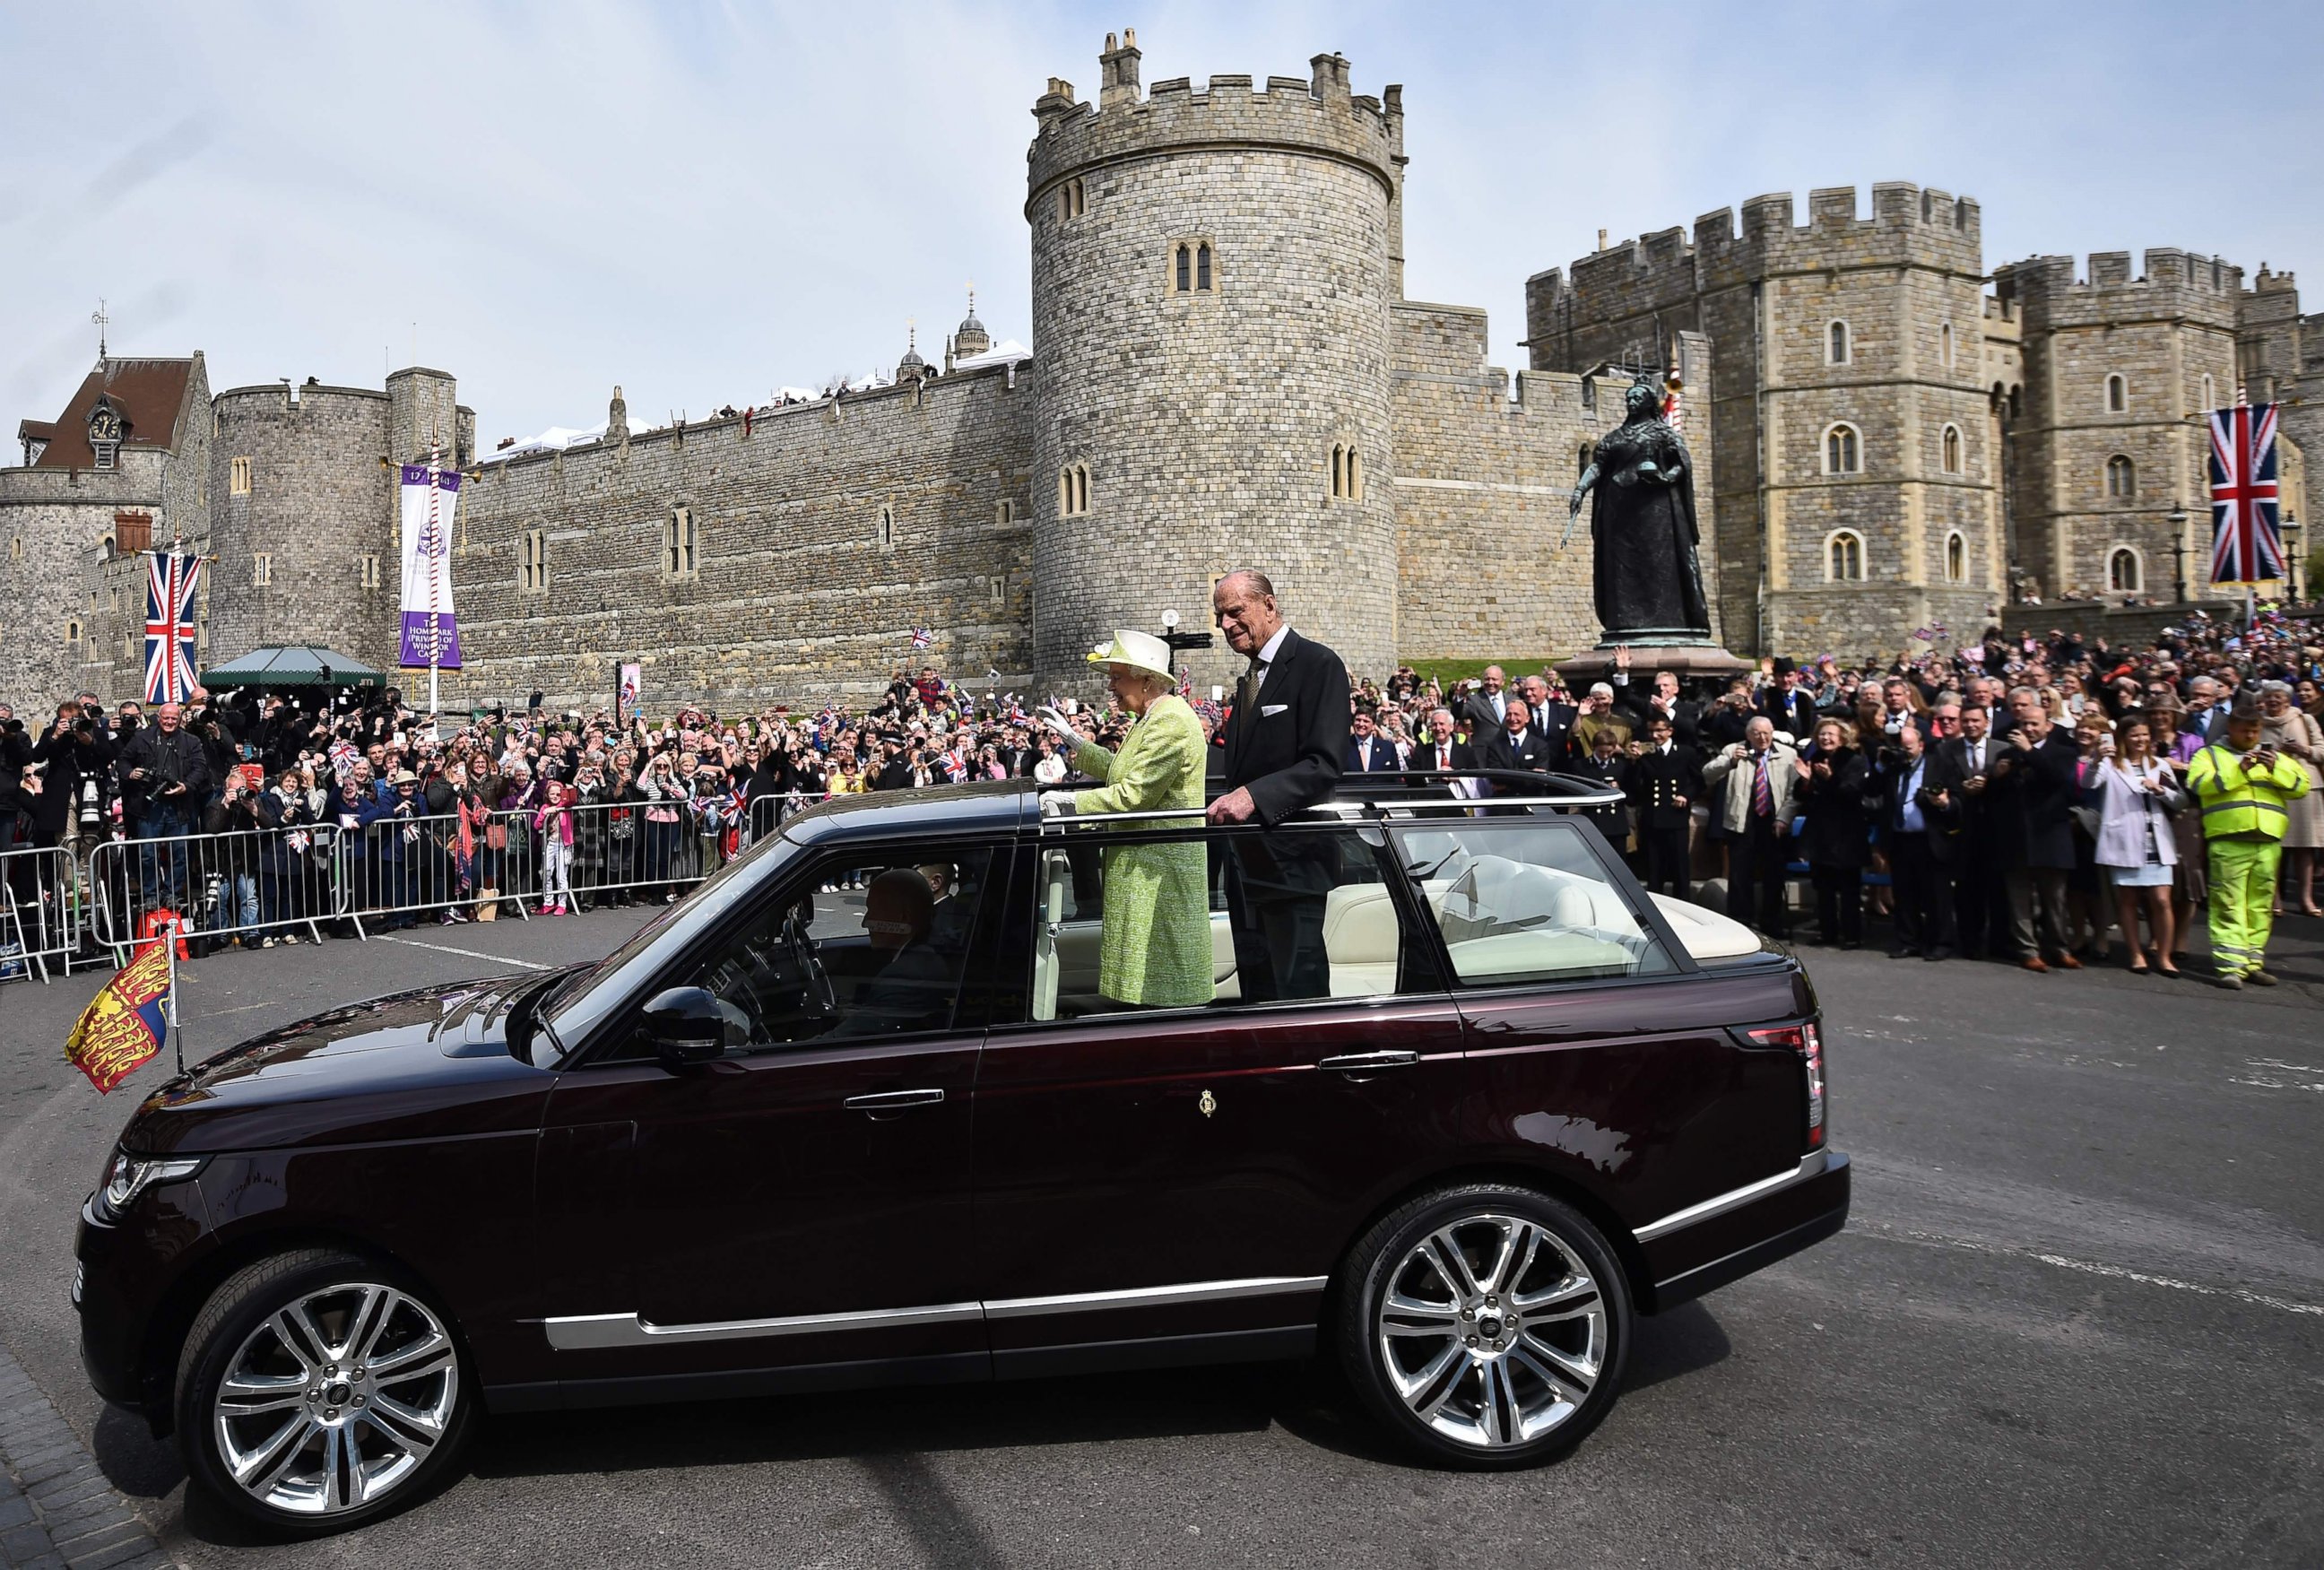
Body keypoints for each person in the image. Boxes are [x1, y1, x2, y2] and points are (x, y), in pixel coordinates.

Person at [1037, 629, 1210, 1010]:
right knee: (1141, 984)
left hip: (1159, 875)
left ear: (1147, 680)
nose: (1111, 687)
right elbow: (1122, 771)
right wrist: (1075, 742)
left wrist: (1070, 804)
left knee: (1158, 989)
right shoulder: (1152, 716)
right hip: (1142, 868)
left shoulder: (1170, 722)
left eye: (1117, 677)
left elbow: (1133, 795)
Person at [1208, 569, 1351, 1001]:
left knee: (1298, 993)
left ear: (1268, 605)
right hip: (1246, 867)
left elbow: (1324, 763)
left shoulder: (1317, 665)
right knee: (1257, 993)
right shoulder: (1249, 679)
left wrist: (1253, 796)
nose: (1226, 626)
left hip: (1293, 864)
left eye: (1235, 612)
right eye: (1220, 618)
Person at [2185, 699, 2312, 989]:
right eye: (2245, 732)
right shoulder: (2210, 755)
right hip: (2229, 840)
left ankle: (2253, 963)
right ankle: (2231, 966)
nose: (2252, 737)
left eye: (2256, 732)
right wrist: (2239, 771)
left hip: (2268, 842)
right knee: (2229, 904)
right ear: (2231, 728)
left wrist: (2275, 771)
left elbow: (2301, 786)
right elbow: (2197, 785)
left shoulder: (2273, 757)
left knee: (2260, 907)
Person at [1989, 689, 2082, 972]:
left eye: (2034, 724)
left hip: (2050, 836)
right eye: (2024, 724)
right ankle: (2027, 949)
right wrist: (1997, 777)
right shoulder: (2006, 753)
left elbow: (2057, 780)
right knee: (2020, 900)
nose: (2028, 729)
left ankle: (2058, 947)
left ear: (2048, 726)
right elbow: (1995, 797)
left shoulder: (2063, 752)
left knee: (2054, 899)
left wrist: (2029, 753)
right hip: (2016, 837)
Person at [2089, 710, 2183, 976]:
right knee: (2128, 900)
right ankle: (2136, 954)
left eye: (2144, 734)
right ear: (2124, 737)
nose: (2140, 739)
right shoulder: (2111, 764)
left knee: (2162, 900)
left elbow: (2180, 800)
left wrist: (2160, 790)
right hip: (2125, 841)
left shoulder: (2160, 765)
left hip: (2157, 840)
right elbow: (2089, 782)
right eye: (2134, 735)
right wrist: (2097, 758)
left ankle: (2164, 956)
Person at [1870, 723, 1959, 959]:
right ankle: (1909, 941)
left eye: (1909, 747)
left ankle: (1941, 942)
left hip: (1929, 840)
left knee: (1936, 895)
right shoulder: (1892, 766)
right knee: (1904, 894)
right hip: (1900, 839)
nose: (1904, 752)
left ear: (1920, 745)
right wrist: (1880, 763)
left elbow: (1957, 802)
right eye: (1901, 747)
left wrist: (1944, 804)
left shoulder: (1938, 765)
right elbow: (1869, 790)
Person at [1704, 716, 1799, 937]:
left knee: (1773, 876)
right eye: (1757, 733)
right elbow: (1708, 774)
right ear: (1748, 735)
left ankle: (1772, 923)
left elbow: (1794, 793)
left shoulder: (1788, 754)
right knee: (1739, 876)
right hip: (1741, 821)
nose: (1762, 738)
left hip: (1773, 821)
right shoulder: (1733, 750)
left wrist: (1784, 818)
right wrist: (1729, 762)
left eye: (1767, 733)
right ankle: (1741, 922)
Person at [1794, 718, 1869, 949]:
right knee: (1823, 888)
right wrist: (1806, 782)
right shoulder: (1814, 759)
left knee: (1848, 889)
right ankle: (1827, 932)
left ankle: (1852, 935)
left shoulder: (1854, 761)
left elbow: (1852, 794)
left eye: (1831, 734)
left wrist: (1829, 778)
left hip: (1847, 834)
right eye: (1822, 734)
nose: (1826, 738)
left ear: (1842, 738)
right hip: (1821, 834)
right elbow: (1802, 798)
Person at [2254, 681, 2323, 917]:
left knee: (2305, 848)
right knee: (2273, 845)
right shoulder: (2257, 721)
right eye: (2270, 696)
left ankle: (2306, 899)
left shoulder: (2304, 719)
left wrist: (2305, 750)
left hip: (2305, 787)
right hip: (2270, 787)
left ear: (2287, 699)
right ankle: (2274, 898)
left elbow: (2322, 749)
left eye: (2279, 697)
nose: (2274, 701)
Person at [1626, 714, 1701, 898]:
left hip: (1676, 817)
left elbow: (1699, 782)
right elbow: (1635, 786)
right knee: (1654, 868)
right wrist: (1635, 761)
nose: (1655, 735)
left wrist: (1685, 795)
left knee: (1679, 868)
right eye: (1651, 731)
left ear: (1670, 731)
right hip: (1653, 817)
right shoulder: (1646, 754)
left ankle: (1684, 905)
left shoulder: (1685, 752)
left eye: (1659, 730)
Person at [1346, 708, 1400, 772]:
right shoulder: (1343, 746)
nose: (1361, 724)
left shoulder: (1388, 748)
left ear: (1374, 726)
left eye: (1366, 721)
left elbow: (1396, 776)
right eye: (1358, 720)